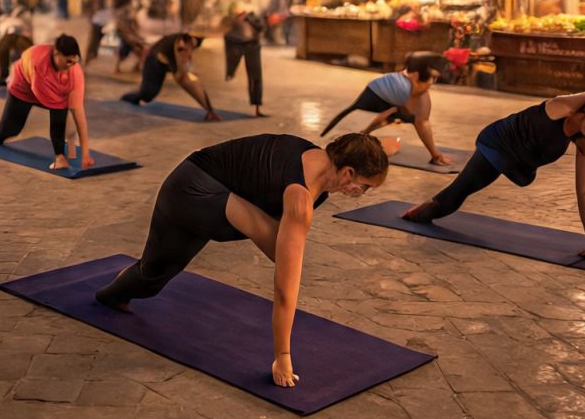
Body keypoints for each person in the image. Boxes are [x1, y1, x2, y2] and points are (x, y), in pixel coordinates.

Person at [95, 133, 388, 387]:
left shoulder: (320, 161)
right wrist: (283, 357)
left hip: (197, 184)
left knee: (150, 278)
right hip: (192, 191)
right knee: (288, 266)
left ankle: (115, 291)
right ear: (348, 173)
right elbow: (284, 291)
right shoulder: (300, 197)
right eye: (364, 187)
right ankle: (119, 288)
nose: (362, 194)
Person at [402, 89, 585, 260]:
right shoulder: (561, 106)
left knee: (462, 191)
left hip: (521, 164)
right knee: (457, 194)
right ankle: (421, 211)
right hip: (499, 144)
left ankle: (430, 206)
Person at [319, 51, 451, 165]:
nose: (433, 83)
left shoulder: (409, 85)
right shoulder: (401, 88)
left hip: (367, 122)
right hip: (346, 134)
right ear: (415, 75)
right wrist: (436, 155)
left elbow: (421, 119)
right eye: (433, 77)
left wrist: (435, 155)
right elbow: (420, 121)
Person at [0, 34, 95, 171]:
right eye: (68, 61)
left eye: (74, 60)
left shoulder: (75, 73)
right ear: (57, 53)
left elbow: (79, 114)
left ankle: (61, 157)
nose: (71, 65)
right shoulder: (38, 62)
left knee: (63, 115)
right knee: (12, 129)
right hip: (22, 85)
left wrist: (86, 154)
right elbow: (45, 96)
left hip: (44, 86)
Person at [121, 32, 221, 121]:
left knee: (191, 80)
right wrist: (185, 71)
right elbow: (182, 79)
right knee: (147, 95)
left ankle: (209, 110)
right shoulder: (173, 51)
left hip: (167, 61)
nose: (185, 53)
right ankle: (127, 97)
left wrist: (209, 110)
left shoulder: (193, 41)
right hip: (154, 63)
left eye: (186, 49)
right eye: (181, 50)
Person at [224, 3, 267, 117]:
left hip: (252, 45)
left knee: (255, 76)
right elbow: (227, 34)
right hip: (237, 44)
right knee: (233, 62)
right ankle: (230, 73)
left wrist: (249, 19)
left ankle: (257, 105)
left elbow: (261, 27)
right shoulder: (235, 20)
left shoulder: (252, 18)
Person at [0, 5, 33, 86]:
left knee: (28, 53)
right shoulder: (5, 17)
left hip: (21, 35)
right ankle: (4, 76)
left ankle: (26, 77)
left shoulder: (25, 15)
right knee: (3, 47)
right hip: (12, 34)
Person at [113, 0, 145, 73]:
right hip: (126, 34)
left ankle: (136, 66)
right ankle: (117, 68)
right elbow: (123, 24)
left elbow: (133, 22)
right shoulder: (123, 11)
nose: (131, 4)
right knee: (129, 50)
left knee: (138, 50)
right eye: (130, 2)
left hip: (128, 34)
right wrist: (130, 34)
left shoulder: (124, 11)